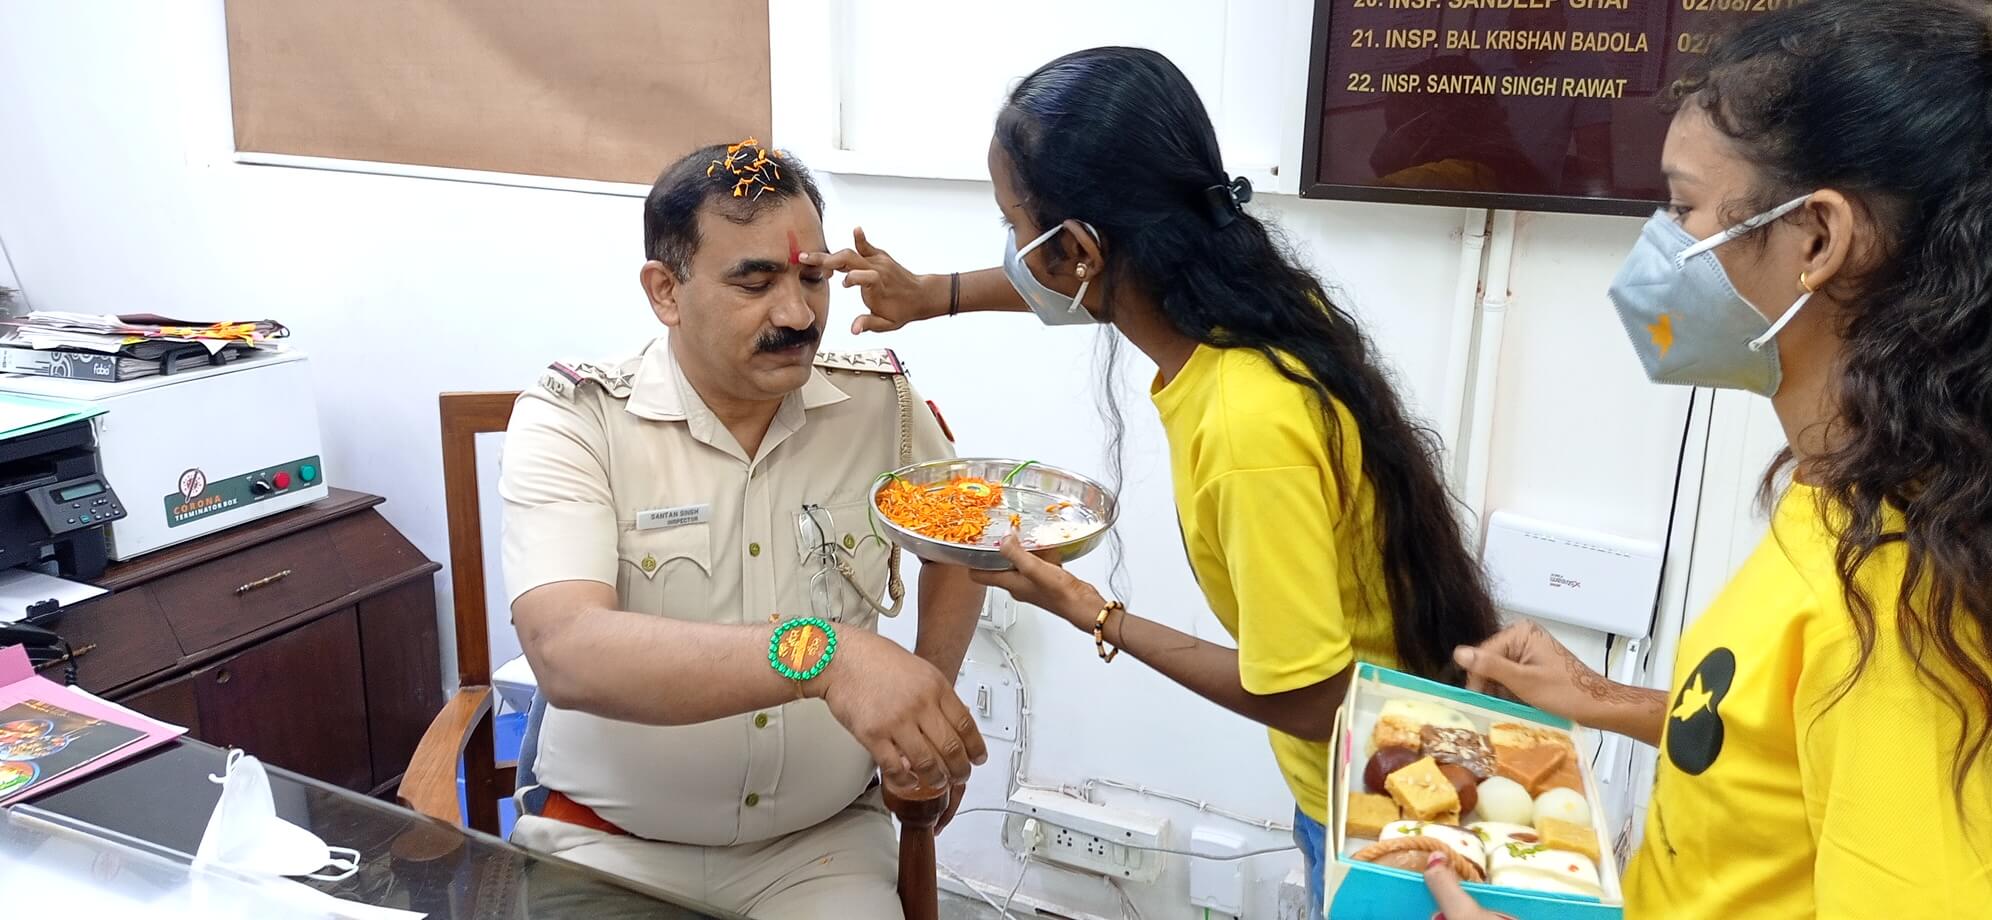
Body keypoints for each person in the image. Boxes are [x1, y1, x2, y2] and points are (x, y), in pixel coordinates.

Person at [805, 47, 1501, 918]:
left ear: (1078, 251)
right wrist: (938, 293)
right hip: (1393, 762)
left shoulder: (1249, 423)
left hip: (1379, 814)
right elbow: (1068, 279)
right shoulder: (1250, 303)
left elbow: (1319, 703)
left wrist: (1093, 613)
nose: (1013, 253)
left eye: (1014, 226)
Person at [1421, 1, 1992, 915]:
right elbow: (1786, 752)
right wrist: (1601, 698)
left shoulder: (1903, 606)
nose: (1660, 244)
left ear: (1817, 238)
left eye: (1684, 206)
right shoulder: (1843, 492)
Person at [500, 139, 987, 920]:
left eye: (812, 276)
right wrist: (826, 658)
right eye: (755, 281)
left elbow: (959, 549)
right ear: (666, 291)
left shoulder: (879, 405)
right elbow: (566, 648)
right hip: (613, 848)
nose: (797, 315)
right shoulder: (576, 418)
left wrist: (921, 707)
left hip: (819, 851)